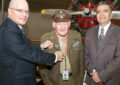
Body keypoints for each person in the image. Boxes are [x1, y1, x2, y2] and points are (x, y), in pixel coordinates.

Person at [0, 0, 64, 85]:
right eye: (20, 10)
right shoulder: (9, 31)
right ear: (9, 10)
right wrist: (54, 57)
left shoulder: (13, 27)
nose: (24, 15)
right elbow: (29, 54)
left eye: (26, 11)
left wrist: (40, 46)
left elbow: (21, 50)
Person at [38, 10, 85, 85]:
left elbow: (81, 61)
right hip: (55, 81)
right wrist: (48, 83)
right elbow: (42, 66)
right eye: (59, 24)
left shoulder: (76, 36)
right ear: (54, 25)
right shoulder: (45, 38)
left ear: (69, 24)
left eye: (65, 24)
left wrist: (80, 81)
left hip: (74, 80)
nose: (62, 27)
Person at [84, 1, 120, 85]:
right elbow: (86, 55)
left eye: (105, 11)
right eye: (98, 12)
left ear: (111, 15)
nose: (101, 14)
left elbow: (118, 60)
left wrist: (101, 76)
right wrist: (92, 71)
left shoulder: (118, 32)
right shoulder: (89, 32)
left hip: (111, 80)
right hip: (92, 80)